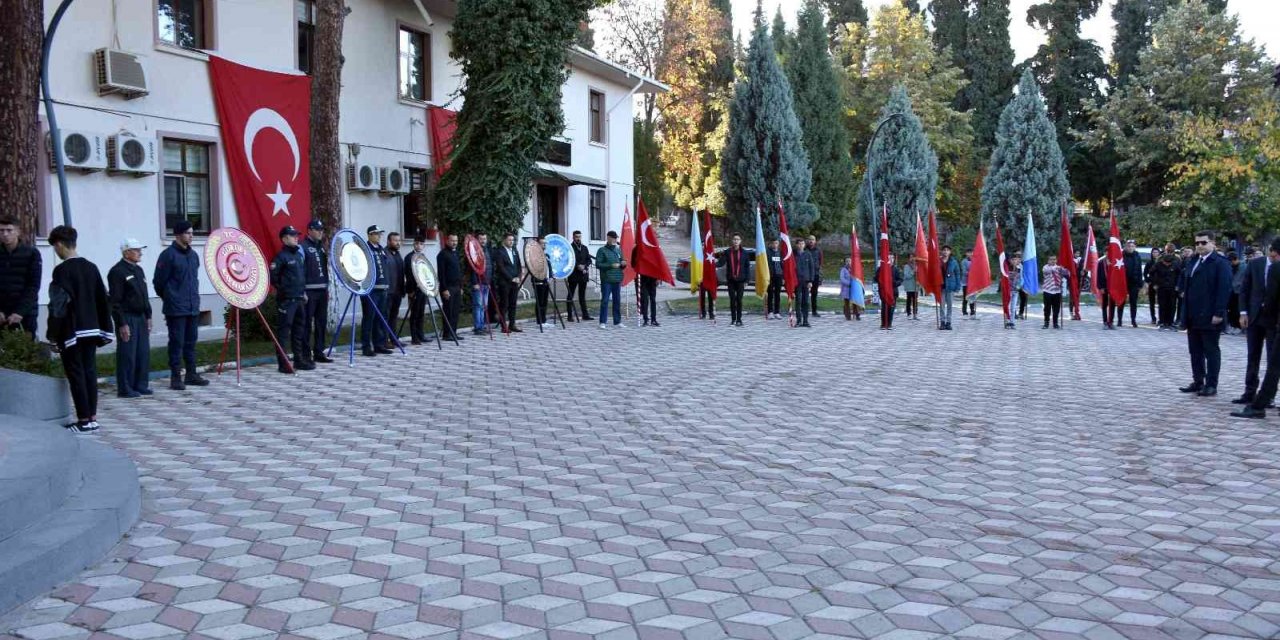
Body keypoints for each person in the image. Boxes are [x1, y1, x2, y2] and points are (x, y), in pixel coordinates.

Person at [45, 226, 112, 433]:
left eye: (55, 247)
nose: (56, 251)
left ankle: (83, 421)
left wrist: (52, 334)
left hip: (72, 331)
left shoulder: (62, 271)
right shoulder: (91, 267)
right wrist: (104, 326)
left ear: (59, 244)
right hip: (92, 328)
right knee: (89, 372)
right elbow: (103, 297)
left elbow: (58, 305)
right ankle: (92, 419)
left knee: (76, 374)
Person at [154, 220, 209, 390]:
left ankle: (191, 374)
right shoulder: (168, 255)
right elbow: (159, 282)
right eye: (188, 233)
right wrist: (171, 298)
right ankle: (176, 377)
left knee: (190, 343)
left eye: (192, 233)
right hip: (176, 309)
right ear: (178, 235)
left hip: (192, 307)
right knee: (176, 343)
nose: (191, 236)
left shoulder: (193, 255)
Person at [1179, 230, 1233, 397]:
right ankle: (1198, 381)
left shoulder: (1220, 263)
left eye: (1204, 242)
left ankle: (1211, 384)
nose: (1200, 246)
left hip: (1210, 314)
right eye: (1197, 243)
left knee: (1211, 351)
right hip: (1192, 314)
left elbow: (1224, 289)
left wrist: (1219, 313)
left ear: (1213, 243)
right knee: (1195, 351)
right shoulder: (1193, 260)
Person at [1232, 239, 1280, 419]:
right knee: (1256, 356)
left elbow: (1272, 298)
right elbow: (1245, 289)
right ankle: (1252, 395)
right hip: (1255, 317)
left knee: (1273, 363)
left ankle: (1263, 402)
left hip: (1273, 320)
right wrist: (1244, 312)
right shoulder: (1256, 264)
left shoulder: (1276, 268)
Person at [108, 239, 153, 398]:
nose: (140, 253)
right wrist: (122, 323)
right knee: (127, 353)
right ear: (126, 252)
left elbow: (144, 295)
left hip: (141, 316)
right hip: (128, 317)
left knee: (142, 352)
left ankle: (140, 384)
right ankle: (125, 388)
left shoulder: (138, 270)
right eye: (136, 250)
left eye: (140, 250)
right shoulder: (117, 272)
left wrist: (148, 315)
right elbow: (115, 301)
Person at [269, 225, 314, 373]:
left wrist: (303, 292)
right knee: (283, 333)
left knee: (298, 332)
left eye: (296, 235)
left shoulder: (298, 256)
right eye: (293, 235)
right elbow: (274, 278)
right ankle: (283, 364)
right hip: (287, 301)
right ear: (284, 239)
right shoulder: (281, 257)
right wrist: (285, 292)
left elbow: (301, 277)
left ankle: (298, 360)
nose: (296, 238)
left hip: (299, 299)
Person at [0, 216, 42, 336]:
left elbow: (33, 286)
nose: (5, 234)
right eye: (1, 230)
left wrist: (20, 312)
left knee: (25, 345)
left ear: (18, 232)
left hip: (25, 312)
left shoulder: (31, 253)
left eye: (9, 230)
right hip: (2, 312)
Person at [301, 220, 333, 363]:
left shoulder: (322, 247)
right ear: (309, 230)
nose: (320, 232)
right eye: (317, 229)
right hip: (309, 291)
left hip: (322, 291)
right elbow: (300, 270)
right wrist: (302, 291)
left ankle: (319, 352)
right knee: (307, 324)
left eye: (321, 230)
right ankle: (305, 354)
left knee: (321, 323)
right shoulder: (303, 247)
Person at [360, 225, 393, 356]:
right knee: (369, 318)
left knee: (381, 318)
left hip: (382, 288)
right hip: (371, 290)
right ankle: (366, 346)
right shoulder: (365, 249)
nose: (379, 236)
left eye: (380, 234)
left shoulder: (381, 249)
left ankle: (379, 344)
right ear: (370, 235)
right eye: (376, 234)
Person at [437, 233, 464, 341]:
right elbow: (441, 274)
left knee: (455, 311)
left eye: (456, 241)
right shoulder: (442, 254)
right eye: (452, 241)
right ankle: (447, 334)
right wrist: (444, 289)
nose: (454, 243)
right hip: (448, 287)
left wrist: (460, 287)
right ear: (447, 241)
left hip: (456, 287)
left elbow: (458, 271)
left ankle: (453, 332)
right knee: (448, 311)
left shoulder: (455, 253)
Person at [494, 233, 523, 333]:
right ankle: (503, 326)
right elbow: (501, 267)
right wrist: (511, 278)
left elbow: (518, 265)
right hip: (505, 282)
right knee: (504, 304)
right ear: (504, 240)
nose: (511, 242)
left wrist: (519, 276)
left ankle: (512, 324)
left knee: (513, 304)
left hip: (515, 282)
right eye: (509, 240)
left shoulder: (515, 250)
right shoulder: (499, 252)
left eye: (513, 240)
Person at [596, 230, 626, 328]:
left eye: (616, 238)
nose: (615, 240)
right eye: (613, 238)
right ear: (608, 238)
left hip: (617, 279)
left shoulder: (618, 250)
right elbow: (598, 264)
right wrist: (610, 265)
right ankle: (602, 322)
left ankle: (617, 321)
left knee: (617, 301)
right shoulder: (602, 250)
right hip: (607, 280)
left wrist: (623, 264)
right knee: (605, 301)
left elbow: (622, 262)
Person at [718, 234, 749, 326]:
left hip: (741, 280)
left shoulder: (744, 252)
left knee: (739, 300)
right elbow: (720, 263)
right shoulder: (728, 252)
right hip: (731, 280)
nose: (736, 241)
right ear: (732, 241)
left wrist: (747, 280)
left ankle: (739, 319)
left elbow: (747, 267)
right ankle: (733, 319)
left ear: (740, 241)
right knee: (732, 300)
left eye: (738, 239)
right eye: (734, 239)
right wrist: (719, 256)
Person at [404, 237, 429, 344]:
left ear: (423, 246)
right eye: (417, 243)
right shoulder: (409, 257)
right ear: (414, 244)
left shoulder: (423, 257)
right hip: (414, 290)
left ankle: (420, 334)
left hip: (423, 289)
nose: (419, 245)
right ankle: (414, 337)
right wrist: (410, 291)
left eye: (421, 244)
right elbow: (408, 274)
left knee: (421, 313)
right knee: (414, 313)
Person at [383, 232, 405, 347]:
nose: (398, 243)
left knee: (394, 316)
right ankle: (384, 340)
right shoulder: (384, 253)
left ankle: (393, 338)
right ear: (388, 241)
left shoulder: (398, 254)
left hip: (398, 291)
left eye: (399, 240)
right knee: (385, 316)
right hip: (388, 291)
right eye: (395, 240)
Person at [469, 232, 494, 333]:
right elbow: (472, 268)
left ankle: (482, 325)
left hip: (486, 282)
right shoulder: (474, 251)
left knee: (484, 305)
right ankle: (478, 327)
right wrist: (475, 282)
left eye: (484, 239)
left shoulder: (487, 250)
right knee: (478, 305)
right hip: (478, 283)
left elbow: (489, 267)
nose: (483, 241)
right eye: (481, 239)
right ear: (477, 240)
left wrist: (489, 281)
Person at [566, 230, 593, 322]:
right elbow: (568, 260)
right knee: (570, 295)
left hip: (583, 275)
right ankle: (570, 316)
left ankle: (585, 315)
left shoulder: (584, 248)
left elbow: (589, 260)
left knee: (582, 295)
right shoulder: (570, 248)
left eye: (579, 237)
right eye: (576, 237)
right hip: (573, 275)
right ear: (573, 237)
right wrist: (577, 266)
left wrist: (585, 266)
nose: (578, 238)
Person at [1153, 246, 1181, 330]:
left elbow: (1180, 275)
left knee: (1172, 305)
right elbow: (1152, 273)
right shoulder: (1158, 264)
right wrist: (1155, 283)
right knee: (1162, 305)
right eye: (1166, 263)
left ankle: (1170, 322)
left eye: (1169, 263)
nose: (1167, 264)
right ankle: (1162, 322)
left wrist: (1178, 285)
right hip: (1161, 287)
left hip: (1172, 288)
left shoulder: (1175, 264)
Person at [1041, 255, 1069, 330]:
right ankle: (1046, 323)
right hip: (1048, 290)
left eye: (1054, 259)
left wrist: (1064, 269)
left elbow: (1067, 273)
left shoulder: (1059, 268)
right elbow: (1048, 271)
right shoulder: (1045, 267)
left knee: (1056, 308)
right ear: (1048, 261)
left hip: (1057, 291)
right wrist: (1058, 268)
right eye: (1051, 259)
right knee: (1047, 308)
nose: (1053, 261)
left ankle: (1055, 323)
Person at [532, 237, 554, 329]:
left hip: (546, 280)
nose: (544, 245)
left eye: (545, 243)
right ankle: (540, 321)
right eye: (542, 243)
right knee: (540, 301)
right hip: (538, 281)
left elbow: (549, 267)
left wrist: (551, 276)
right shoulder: (534, 255)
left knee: (545, 301)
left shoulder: (546, 255)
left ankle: (544, 320)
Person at [1121, 240, 1143, 328]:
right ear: (1126, 247)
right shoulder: (1121, 256)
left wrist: (1140, 283)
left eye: (1132, 246)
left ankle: (1133, 320)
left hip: (1134, 283)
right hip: (1123, 282)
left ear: (1135, 247)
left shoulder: (1137, 256)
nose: (1131, 248)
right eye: (1129, 246)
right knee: (1121, 301)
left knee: (1133, 303)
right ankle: (1119, 320)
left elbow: (1140, 270)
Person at [795, 238, 817, 327]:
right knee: (798, 301)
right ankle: (798, 320)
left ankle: (805, 320)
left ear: (804, 245)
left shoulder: (808, 254)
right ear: (796, 245)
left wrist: (811, 280)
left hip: (806, 281)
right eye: (799, 244)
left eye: (802, 244)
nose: (801, 245)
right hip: (797, 281)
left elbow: (812, 268)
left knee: (806, 301)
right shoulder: (793, 254)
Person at [766, 239, 783, 319]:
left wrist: (783, 276)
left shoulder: (780, 253)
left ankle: (777, 312)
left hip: (779, 275)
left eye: (776, 243)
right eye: (773, 243)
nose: (775, 244)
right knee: (770, 294)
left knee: (777, 294)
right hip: (770, 276)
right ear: (771, 244)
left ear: (778, 244)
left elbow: (782, 264)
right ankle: (770, 312)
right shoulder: (768, 252)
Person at [806, 235, 823, 317]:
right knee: (804, 293)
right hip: (806, 274)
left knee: (814, 293)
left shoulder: (818, 250)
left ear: (815, 241)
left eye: (813, 239)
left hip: (815, 274)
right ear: (807, 241)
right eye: (810, 239)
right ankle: (804, 310)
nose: (811, 241)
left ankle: (814, 311)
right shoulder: (804, 249)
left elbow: (820, 262)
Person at [1144, 247, 1161, 325]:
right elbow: (1145, 273)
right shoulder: (1149, 263)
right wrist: (1149, 281)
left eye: (1156, 252)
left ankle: (1160, 318)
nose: (1155, 254)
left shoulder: (1162, 262)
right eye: (1153, 252)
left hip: (1160, 284)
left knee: (1161, 302)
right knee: (1152, 302)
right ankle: (1153, 318)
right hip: (1151, 284)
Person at [1004, 253, 1021, 330]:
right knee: (1007, 307)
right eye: (1013, 259)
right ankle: (1007, 321)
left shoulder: (1019, 268)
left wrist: (1019, 286)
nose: (1014, 261)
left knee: (1013, 308)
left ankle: (1012, 322)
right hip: (1008, 291)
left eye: (1016, 260)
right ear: (1010, 260)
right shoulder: (1006, 268)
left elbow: (1020, 279)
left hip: (1015, 291)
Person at [1227, 251, 1243, 334]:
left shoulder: (1244, 267)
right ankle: (1232, 325)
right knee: (1231, 309)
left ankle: (1238, 326)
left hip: (1239, 291)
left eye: (1231, 261)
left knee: (1237, 310)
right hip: (1231, 291)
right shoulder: (1230, 266)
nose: (1231, 263)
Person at [901, 255, 919, 321]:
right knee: (909, 300)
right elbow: (906, 276)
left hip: (915, 286)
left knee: (915, 300)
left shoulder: (917, 265)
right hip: (909, 286)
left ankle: (915, 314)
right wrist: (913, 271)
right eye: (911, 257)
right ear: (909, 258)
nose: (913, 259)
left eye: (914, 257)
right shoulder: (907, 266)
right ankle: (909, 313)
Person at [961, 249, 973, 317]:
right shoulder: (964, 261)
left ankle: (972, 311)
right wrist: (972, 273)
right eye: (968, 253)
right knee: (965, 297)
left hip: (973, 283)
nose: (970, 254)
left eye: (971, 253)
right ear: (966, 253)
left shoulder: (975, 261)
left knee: (972, 297)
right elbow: (964, 272)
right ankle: (964, 311)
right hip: (965, 282)